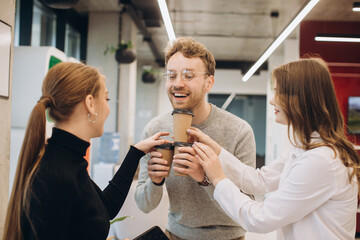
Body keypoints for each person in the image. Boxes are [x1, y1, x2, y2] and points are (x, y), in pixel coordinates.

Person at [190, 57, 360, 240]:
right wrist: (214, 148)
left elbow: (259, 219)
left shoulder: (321, 160)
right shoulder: (306, 150)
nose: (272, 101)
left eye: (278, 93)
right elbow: (258, 180)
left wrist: (217, 179)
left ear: (301, 98)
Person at [2, 62, 170, 240]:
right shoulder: (57, 175)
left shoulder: (68, 161)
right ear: (90, 103)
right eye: (106, 99)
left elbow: (103, 208)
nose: (107, 108)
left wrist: (135, 152)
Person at [134, 37, 256, 240]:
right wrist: (154, 182)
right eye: (171, 75)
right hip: (176, 235)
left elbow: (248, 206)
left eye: (188, 76)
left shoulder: (238, 131)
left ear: (209, 83)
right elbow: (144, 205)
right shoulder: (156, 129)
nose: (178, 84)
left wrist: (205, 179)